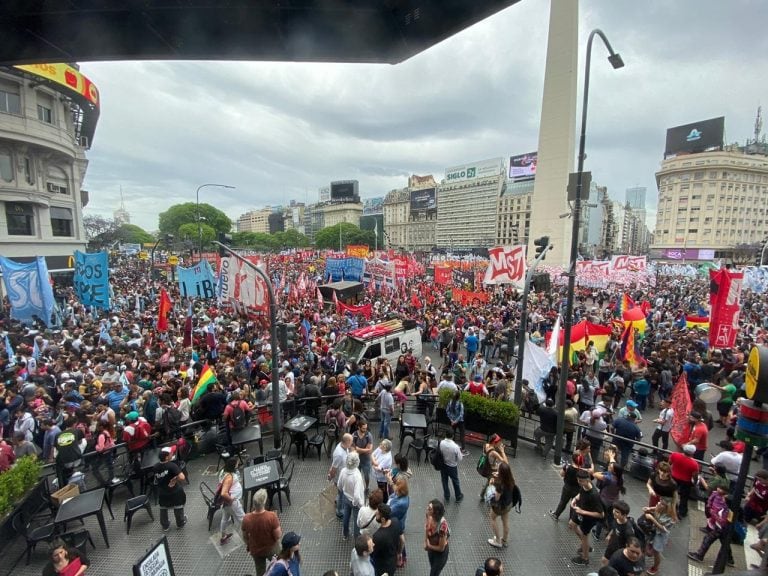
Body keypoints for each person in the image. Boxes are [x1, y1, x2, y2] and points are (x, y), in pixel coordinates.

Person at [688, 483, 734, 566]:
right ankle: (729, 559)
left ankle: (699, 555)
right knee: (724, 542)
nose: (722, 498)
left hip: (720, 527)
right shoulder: (719, 499)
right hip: (721, 527)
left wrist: (713, 514)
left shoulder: (726, 509)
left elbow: (722, 520)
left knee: (708, 539)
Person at [242, 488, 282, 576]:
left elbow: (245, 537)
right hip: (271, 548)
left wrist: (249, 545)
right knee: (280, 564)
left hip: (256, 550)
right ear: (264, 502)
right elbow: (278, 535)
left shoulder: (246, 518)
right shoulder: (271, 516)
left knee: (260, 571)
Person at [549, 439, 593, 520]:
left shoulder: (568, 467)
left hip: (567, 487)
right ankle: (571, 519)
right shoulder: (583, 470)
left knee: (563, 501)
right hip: (578, 489)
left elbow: (561, 474)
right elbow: (590, 476)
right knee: (574, 503)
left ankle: (556, 515)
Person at [569, 469, 604, 566]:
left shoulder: (594, 495)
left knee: (585, 536)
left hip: (588, 517)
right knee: (572, 524)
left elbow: (601, 514)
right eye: (578, 480)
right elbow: (581, 493)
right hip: (580, 510)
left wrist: (583, 511)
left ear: (588, 480)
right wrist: (576, 498)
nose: (579, 483)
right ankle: (586, 545)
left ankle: (585, 558)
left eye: (581, 481)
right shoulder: (584, 485)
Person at [153, 446, 187, 531]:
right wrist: (175, 479)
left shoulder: (155, 467)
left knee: (163, 508)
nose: (173, 453)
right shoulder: (172, 466)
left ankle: (165, 525)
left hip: (162, 492)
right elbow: (182, 477)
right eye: (171, 453)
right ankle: (180, 523)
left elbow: (156, 479)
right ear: (167, 457)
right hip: (174, 491)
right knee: (178, 506)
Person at [641, 498, 675, 575]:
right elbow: (655, 507)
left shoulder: (671, 518)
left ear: (668, 507)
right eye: (660, 502)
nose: (659, 504)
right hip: (653, 531)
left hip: (660, 535)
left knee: (656, 552)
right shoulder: (659, 507)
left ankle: (655, 567)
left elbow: (664, 530)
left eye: (662, 504)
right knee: (647, 546)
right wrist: (649, 508)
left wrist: (652, 519)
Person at [338, 451, 366, 541]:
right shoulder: (357, 475)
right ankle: (357, 539)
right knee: (356, 521)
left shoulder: (343, 471)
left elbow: (339, 485)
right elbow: (357, 495)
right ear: (357, 462)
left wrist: (345, 492)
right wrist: (356, 503)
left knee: (346, 516)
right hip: (355, 502)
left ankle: (345, 534)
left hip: (346, 498)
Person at [600, 500, 637, 567]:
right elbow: (614, 527)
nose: (614, 513)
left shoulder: (628, 531)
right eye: (614, 510)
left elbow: (630, 546)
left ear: (624, 515)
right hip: (612, 545)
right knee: (604, 560)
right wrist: (609, 535)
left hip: (619, 551)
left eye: (617, 512)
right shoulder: (616, 518)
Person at [487, 462, 515, 548]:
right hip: (508, 504)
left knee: (492, 518)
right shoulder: (511, 479)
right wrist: (498, 476)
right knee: (505, 522)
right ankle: (505, 540)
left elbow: (496, 498)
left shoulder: (499, 485)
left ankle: (498, 540)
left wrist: (491, 484)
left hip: (500, 507)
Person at [218, 457, 245, 545]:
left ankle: (223, 536)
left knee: (225, 519)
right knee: (244, 520)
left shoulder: (223, 471)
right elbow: (223, 493)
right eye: (237, 463)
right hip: (232, 503)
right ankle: (250, 538)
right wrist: (231, 499)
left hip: (226, 503)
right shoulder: (229, 477)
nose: (238, 464)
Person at [670, 444, 699, 518]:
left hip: (673, 477)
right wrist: (695, 483)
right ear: (692, 453)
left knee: (671, 493)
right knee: (684, 497)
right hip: (686, 481)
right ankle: (682, 512)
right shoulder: (694, 464)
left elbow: (669, 463)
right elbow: (695, 476)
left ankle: (670, 506)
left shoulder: (674, 455)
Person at [371, 504, 400, 576]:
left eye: (377, 514)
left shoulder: (377, 536)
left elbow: (373, 552)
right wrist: (399, 552)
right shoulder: (396, 521)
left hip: (381, 567)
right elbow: (402, 539)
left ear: (383, 519)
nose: (375, 514)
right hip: (393, 562)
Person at [329, 433, 353, 519]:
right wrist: (331, 476)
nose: (352, 443)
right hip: (340, 478)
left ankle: (337, 499)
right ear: (347, 442)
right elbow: (334, 468)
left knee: (340, 494)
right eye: (351, 442)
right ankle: (339, 512)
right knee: (342, 495)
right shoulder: (339, 454)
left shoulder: (343, 446)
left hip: (342, 476)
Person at [424, 498, 450, 576]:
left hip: (440, 555)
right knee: (433, 567)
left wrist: (428, 545)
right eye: (428, 506)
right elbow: (426, 528)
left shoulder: (442, 526)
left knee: (434, 573)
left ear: (435, 512)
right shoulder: (428, 516)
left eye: (430, 508)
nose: (427, 509)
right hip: (431, 549)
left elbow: (441, 548)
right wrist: (425, 541)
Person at [438, 429, 463, 503]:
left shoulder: (441, 443)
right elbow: (460, 458)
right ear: (453, 436)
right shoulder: (455, 446)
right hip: (452, 467)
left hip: (443, 465)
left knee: (444, 481)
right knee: (455, 481)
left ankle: (447, 495)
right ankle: (458, 496)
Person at [445, 390, 468, 455]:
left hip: (452, 421)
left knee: (452, 435)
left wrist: (452, 420)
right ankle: (463, 450)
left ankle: (452, 448)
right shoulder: (460, 403)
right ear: (459, 396)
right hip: (460, 421)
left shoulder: (450, 402)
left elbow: (447, 411)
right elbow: (461, 414)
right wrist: (456, 421)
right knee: (462, 435)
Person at [353, 420, 373, 492]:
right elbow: (352, 449)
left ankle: (367, 487)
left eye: (366, 428)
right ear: (359, 427)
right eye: (363, 428)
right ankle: (358, 487)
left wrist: (358, 450)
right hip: (356, 460)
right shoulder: (354, 435)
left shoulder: (368, 435)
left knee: (367, 476)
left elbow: (369, 450)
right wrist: (365, 450)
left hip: (366, 460)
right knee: (356, 476)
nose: (365, 430)